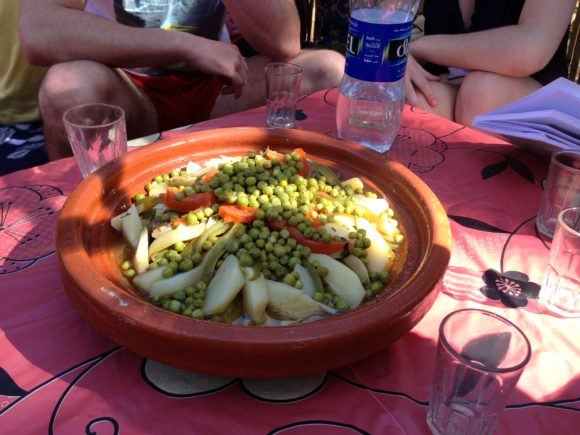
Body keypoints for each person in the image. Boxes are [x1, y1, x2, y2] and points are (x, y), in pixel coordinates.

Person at [19, 0, 345, 160]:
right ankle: (79, 220)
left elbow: (284, 43)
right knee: (68, 87)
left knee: (328, 70)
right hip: (126, 94)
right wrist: (184, 46)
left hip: (222, 89)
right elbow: (39, 32)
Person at [405, 0, 575, 126]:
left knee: (482, 93)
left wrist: (416, 48)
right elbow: (384, 21)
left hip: (540, 109)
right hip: (450, 90)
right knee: (409, 102)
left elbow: (531, 48)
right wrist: (396, 59)